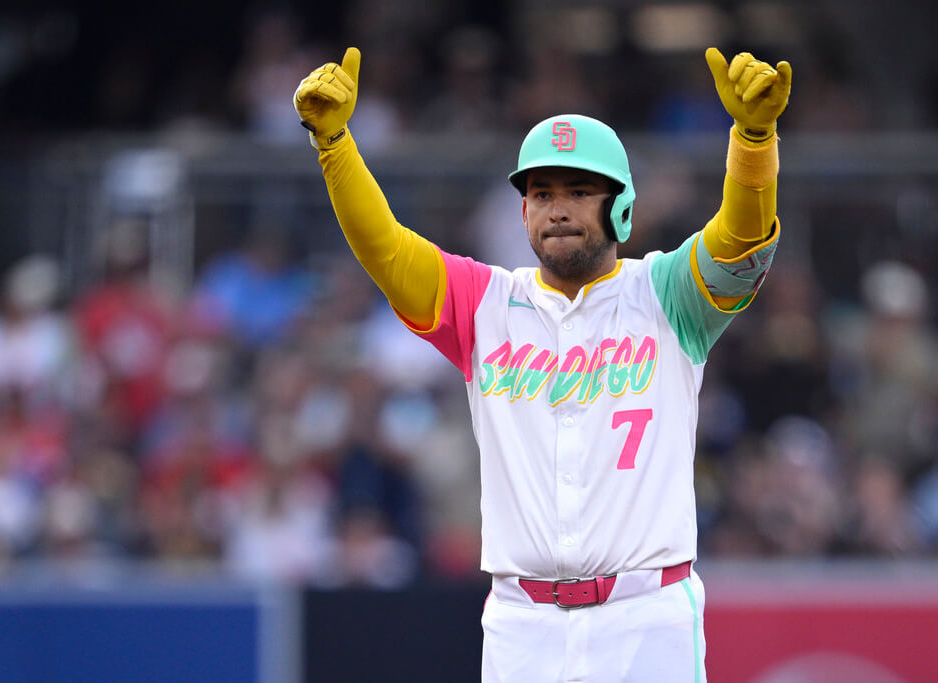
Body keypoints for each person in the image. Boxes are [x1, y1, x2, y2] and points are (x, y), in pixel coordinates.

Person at [294, 45, 791, 682]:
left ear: (621, 207)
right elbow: (385, 249)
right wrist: (333, 145)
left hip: (646, 617)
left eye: (580, 191)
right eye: (541, 191)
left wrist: (754, 140)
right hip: (521, 624)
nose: (558, 207)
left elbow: (741, 236)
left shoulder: (669, 294)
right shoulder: (484, 304)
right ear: (522, 210)